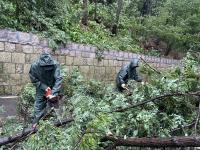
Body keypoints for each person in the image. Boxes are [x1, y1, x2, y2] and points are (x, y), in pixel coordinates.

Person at [29, 52, 63, 127]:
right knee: (39, 104)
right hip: (41, 88)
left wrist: (53, 93)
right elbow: (33, 79)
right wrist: (44, 87)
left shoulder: (55, 64)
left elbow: (59, 78)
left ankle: (53, 122)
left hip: (53, 86)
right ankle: (36, 123)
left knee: (54, 104)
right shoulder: (34, 66)